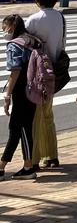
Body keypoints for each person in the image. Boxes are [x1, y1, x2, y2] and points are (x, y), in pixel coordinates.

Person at [25, 0, 65, 169]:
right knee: (48, 113)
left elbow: (26, 46)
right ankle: (51, 155)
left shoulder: (33, 20)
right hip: (54, 71)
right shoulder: (61, 18)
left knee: (35, 117)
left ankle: (34, 159)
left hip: (37, 73)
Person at [1, 14, 37, 178]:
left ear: (13, 26)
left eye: (5, 27)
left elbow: (15, 71)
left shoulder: (14, 45)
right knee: (16, 128)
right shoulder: (32, 40)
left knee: (22, 128)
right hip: (34, 89)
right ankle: (2, 166)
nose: (3, 30)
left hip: (21, 91)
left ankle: (28, 167)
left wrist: (7, 96)